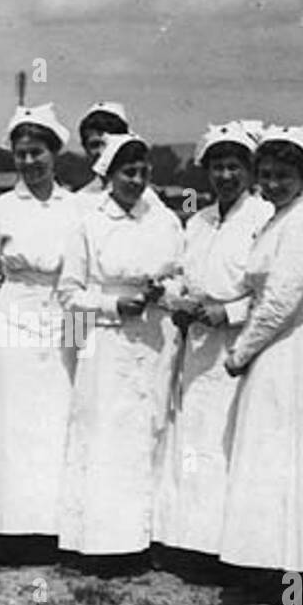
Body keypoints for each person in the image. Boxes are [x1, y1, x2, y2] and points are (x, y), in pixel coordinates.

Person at [218, 127, 303, 595]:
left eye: (283, 176)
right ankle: (264, 562)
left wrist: (241, 350)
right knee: (267, 455)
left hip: (285, 348)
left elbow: (282, 299)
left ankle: (283, 570)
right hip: (271, 349)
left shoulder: (302, 221)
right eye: (264, 175)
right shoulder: (275, 218)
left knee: (278, 455)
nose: (271, 184)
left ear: (302, 177)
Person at [57, 134, 183, 558]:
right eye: (128, 172)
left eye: (143, 172)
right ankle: (103, 542)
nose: (136, 179)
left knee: (151, 429)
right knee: (108, 434)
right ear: (109, 176)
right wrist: (112, 305)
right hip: (106, 342)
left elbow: (182, 274)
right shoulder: (88, 223)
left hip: (154, 337)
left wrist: (162, 290)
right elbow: (69, 295)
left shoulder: (164, 220)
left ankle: (148, 539)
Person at [154, 121, 271, 557]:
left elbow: (276, 292)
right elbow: (182, 274)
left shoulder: (263, 219)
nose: (225, 176)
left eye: (234, 166)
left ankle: (230, 547)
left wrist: (230, 312)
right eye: (217, 167)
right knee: (195, 442)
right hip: (198, 349)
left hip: (240, 349)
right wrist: (177, 300)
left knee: (230, 441)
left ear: (250, 170)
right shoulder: (199, 222)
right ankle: (191, 541)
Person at [0, 104, 77, 552]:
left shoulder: (76, 208)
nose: (29, 162)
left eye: (37, 153)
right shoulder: (0, 208)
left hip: (58, 321)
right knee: (9, 423)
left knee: (54, 422)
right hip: (11, 316)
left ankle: (52, 529)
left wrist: (80, 341)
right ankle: (6, 529)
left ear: (54, 154)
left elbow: (81, 278)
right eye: (21, 154)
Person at [73, 100, 164, 213]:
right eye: (95, 145)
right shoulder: (79, 202)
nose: (102, 152)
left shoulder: (148, 199)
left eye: (107, 144)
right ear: (85, 149)